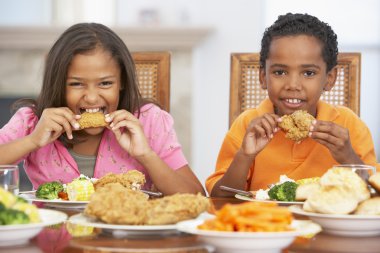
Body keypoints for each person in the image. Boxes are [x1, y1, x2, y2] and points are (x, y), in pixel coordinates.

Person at [0, 23, 205, 196]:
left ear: (121, 82)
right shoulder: (33, 122)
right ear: (58, 84)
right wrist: (32, 141)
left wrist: (146, 154)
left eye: (105, 83)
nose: (91, 97)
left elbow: (198, 197)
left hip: (126, 239)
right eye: (76, 84)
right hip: (54, 238)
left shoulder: (149, 120)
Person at [206, 13, 380, 196]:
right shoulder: (248, 125)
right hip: (266, 222)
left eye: (308, 73)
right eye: (280, 72)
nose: (293, 85)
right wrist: (245, 156)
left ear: (329, 79)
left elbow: (374, 194)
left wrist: (348, 157)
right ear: (263, 77)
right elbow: (219, 198)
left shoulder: (348, 125)